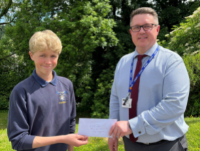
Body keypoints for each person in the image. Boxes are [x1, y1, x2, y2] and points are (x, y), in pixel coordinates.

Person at [108, 7, 190, 151]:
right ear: (130, 32)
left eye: (147, 26)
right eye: (136, 27)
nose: (141, 31)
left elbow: (175, 104)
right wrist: (112, 131)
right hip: (131, 145)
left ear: (157, 29)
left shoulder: (171, 61)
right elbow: (115, 97)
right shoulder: (123, 62)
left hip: (166, 145)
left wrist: (132, 125)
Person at [7, 30, 88, 151]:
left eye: (53, 56)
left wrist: (69, 147)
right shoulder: (21, 91)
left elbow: (70, 124)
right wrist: (62, 139)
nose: (48, 61)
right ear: (31, 55)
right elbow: (18, 140)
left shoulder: (66, 85)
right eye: (42, 55)